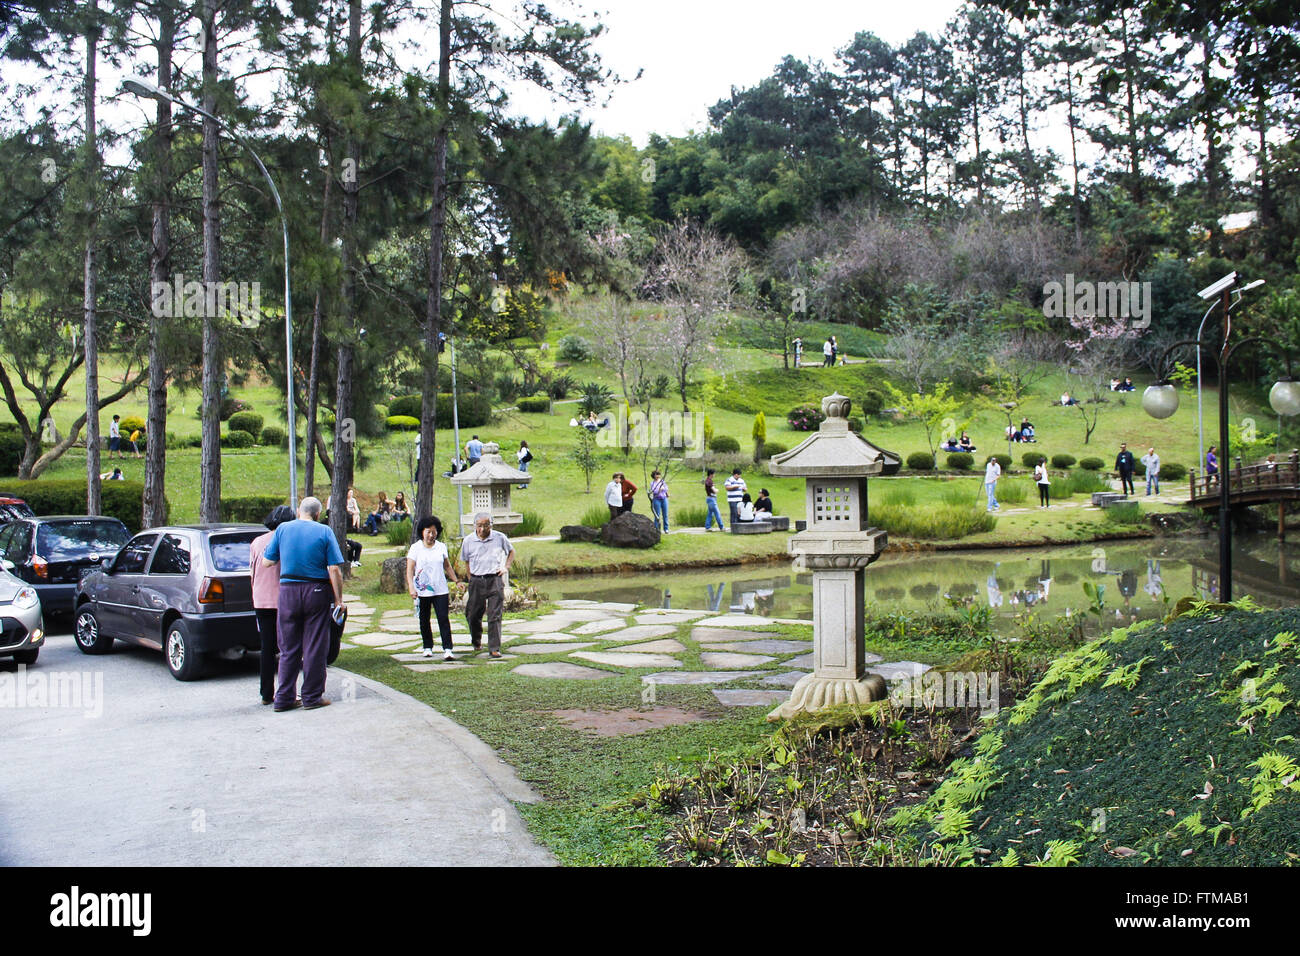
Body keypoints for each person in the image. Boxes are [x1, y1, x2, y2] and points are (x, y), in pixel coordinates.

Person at [262, 496, 346, 711]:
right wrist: (338, 600)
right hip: (316, 590)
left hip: (288, 591)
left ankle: (284, 698)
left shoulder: (282, 529)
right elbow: (334, 568)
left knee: (288, 648)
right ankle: (311, 696)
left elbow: (268, 561)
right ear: (318, 514)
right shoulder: (324, 531)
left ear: (299, 510)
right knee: (315, 645)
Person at [250, 505, 296, 705]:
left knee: (266, 648)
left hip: (260, 598)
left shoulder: (257, 542)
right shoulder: (287, 540)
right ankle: (288, 691)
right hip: (281, 598)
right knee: (288, 647)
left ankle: (266, 693)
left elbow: (252, 570)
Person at [461, 512, 514, 659]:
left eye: (486, 525)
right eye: (479, 526)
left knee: (494, 615)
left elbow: (511, 552)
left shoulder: (499, 537)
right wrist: (470, 578)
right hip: (477, 580)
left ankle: (494, 648)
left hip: (494, 579)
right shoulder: (468, 540)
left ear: (491, 525)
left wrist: (506, 567)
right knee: (472, 615)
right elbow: (466, 560)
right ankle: (476, 641)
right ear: (475, 526)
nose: (482, 529)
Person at [407, 515, 459, 661]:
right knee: (424, 619)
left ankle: (448, 649)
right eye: (428, 532)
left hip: (440, 589)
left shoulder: (441, 547)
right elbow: (410, 569)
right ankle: (427, 647)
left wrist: (456, 580)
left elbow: (447, 566)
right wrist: (411, 587)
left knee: (443, 618)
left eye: (434, 532)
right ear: (422, 532)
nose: (431, 535)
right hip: (422, 590)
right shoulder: (415, 548)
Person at [649, 469, 670, 533]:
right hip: (656, 499)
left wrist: (664, 489)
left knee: (665, 514)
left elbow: (666, 488)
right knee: (657, 515)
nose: (658, 476)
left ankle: (666, 528)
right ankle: (656, 528)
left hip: (664, 499)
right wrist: (659, 490)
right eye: (656, 474)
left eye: (659, 474)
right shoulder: (652, 483)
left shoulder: (662, 481)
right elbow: (653, 491)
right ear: (654, 475)